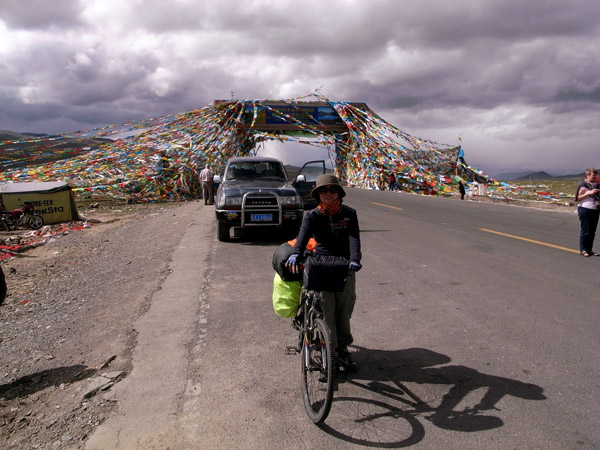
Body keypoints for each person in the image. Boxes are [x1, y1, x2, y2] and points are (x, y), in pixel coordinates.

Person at [285, 174, 362, 372]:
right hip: (321, 266)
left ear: (339, 193)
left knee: (344, 309)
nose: (328, 194)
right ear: (318, 194)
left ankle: (342, 347)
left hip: (344, 266)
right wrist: (295, 254)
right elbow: (302, 237)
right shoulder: (312, 215)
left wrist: (355, 259)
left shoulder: (349, 214)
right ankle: (329, 348)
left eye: (332, 190)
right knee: (326, 310)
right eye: (323, 191)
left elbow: (354, 238)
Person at [575, 167, 600, 257]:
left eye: (596, 175)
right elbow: (578, 198)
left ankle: (589, 250)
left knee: (592, 232)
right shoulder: (583, 185)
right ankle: (583, 249)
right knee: (585, 230)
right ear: (587, 175)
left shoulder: (597, 184)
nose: (595, 177)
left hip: (595, 209)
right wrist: (589, 193)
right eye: (593, 175)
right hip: (585, 209)